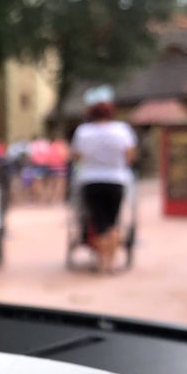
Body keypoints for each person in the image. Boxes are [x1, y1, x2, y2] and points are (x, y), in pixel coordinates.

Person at [70, 85, 137, 274]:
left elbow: (77, 157)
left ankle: (101, 262)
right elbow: (130, 156)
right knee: (113, 221)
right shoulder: (122, 130)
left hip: (91, 181)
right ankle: (111, 262)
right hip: (116, 180)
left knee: (98, 222)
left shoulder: (83, 131)